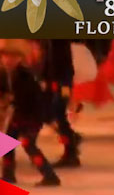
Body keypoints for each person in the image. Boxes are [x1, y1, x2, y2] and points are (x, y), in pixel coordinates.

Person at [0, 41, 60, 186]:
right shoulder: (4, 74)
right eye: (5, 57)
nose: (8, 60)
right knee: (6, 143)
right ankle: (8, 174)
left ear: (19, 59)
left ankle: (50, 175)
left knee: (28, 144)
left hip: (31, 116)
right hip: (18, 115)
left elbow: (33, 98)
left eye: (13, 57)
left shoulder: (26, 76)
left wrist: (12, 100)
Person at [40, 39, 81, 168]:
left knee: (58, 113)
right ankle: (71, 143)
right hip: (56, 80)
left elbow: (61, 62)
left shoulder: (60, 41)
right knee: (53, 113)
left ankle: (71, 150)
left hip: (62, 82)